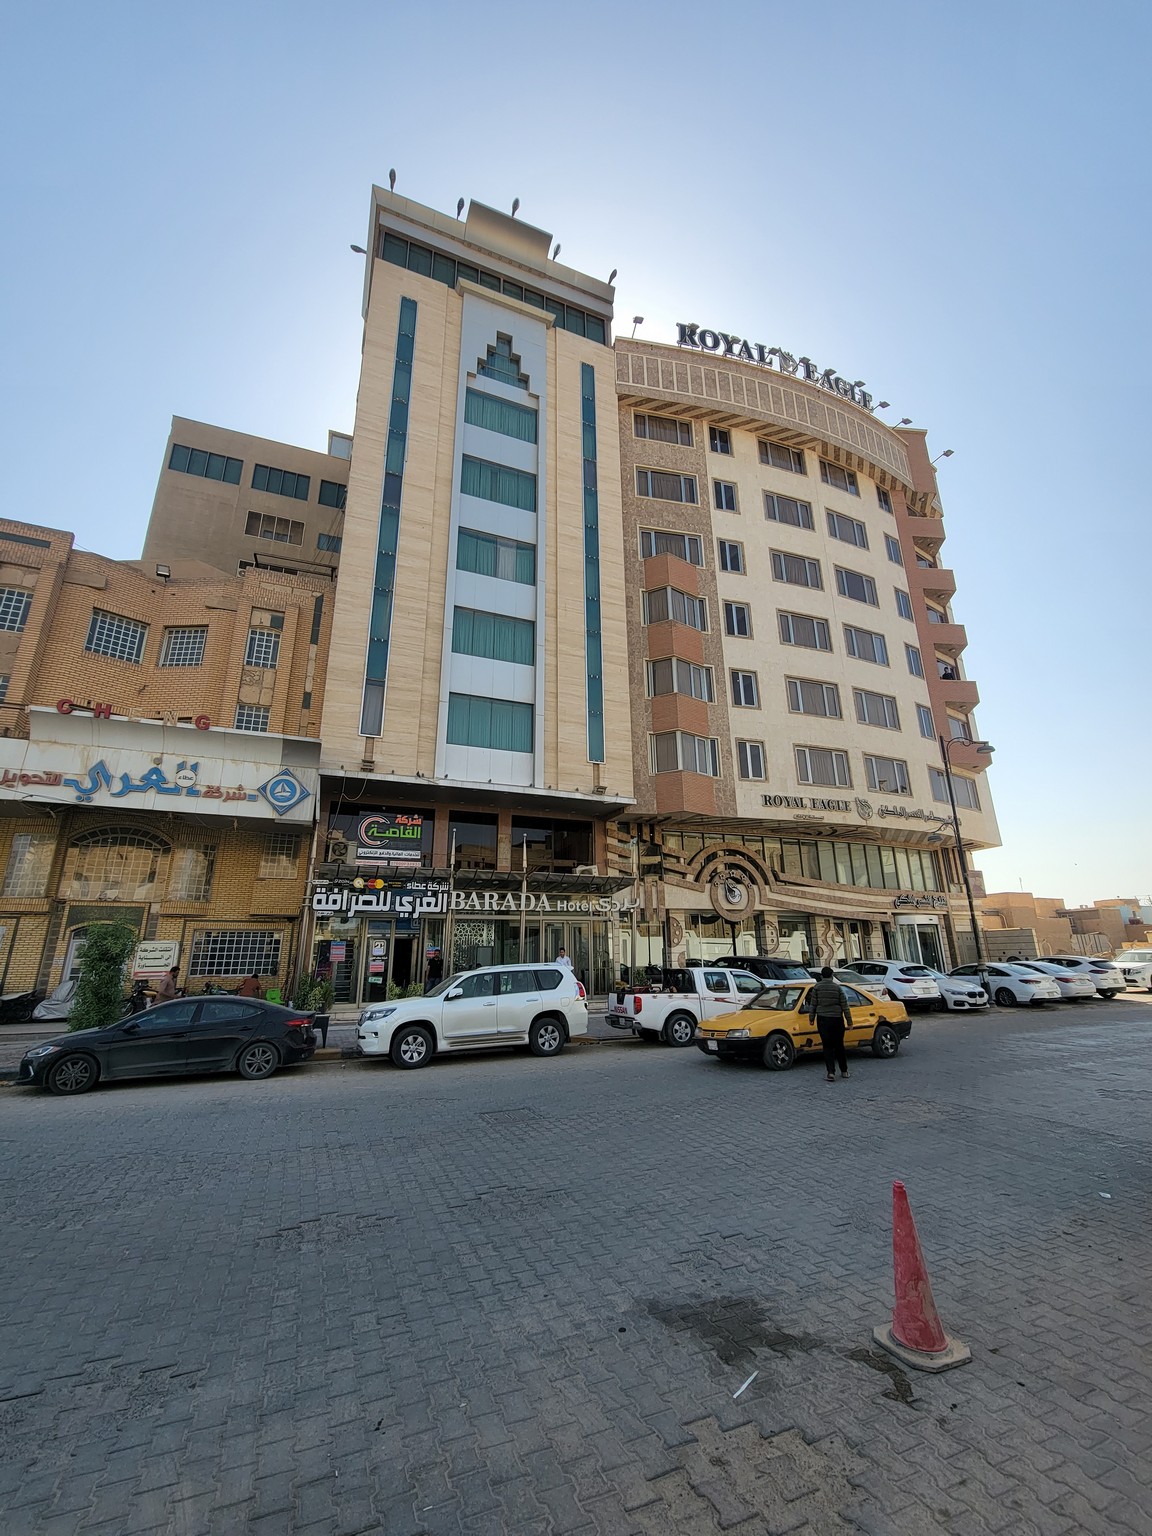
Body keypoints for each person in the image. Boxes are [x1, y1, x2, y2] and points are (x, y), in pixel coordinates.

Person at [804, 966, 853, 1083]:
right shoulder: (837, 988)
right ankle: (844, 1071)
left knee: (827, 1046)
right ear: (832, 976)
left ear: (821, 976)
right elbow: (845, 1006)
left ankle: (830, 1072)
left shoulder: (817, 988)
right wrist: (849, 1021)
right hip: (837, 1019)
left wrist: (811, 1018)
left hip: (823, 1019)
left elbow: (813, 1004)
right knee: (839, 1045)